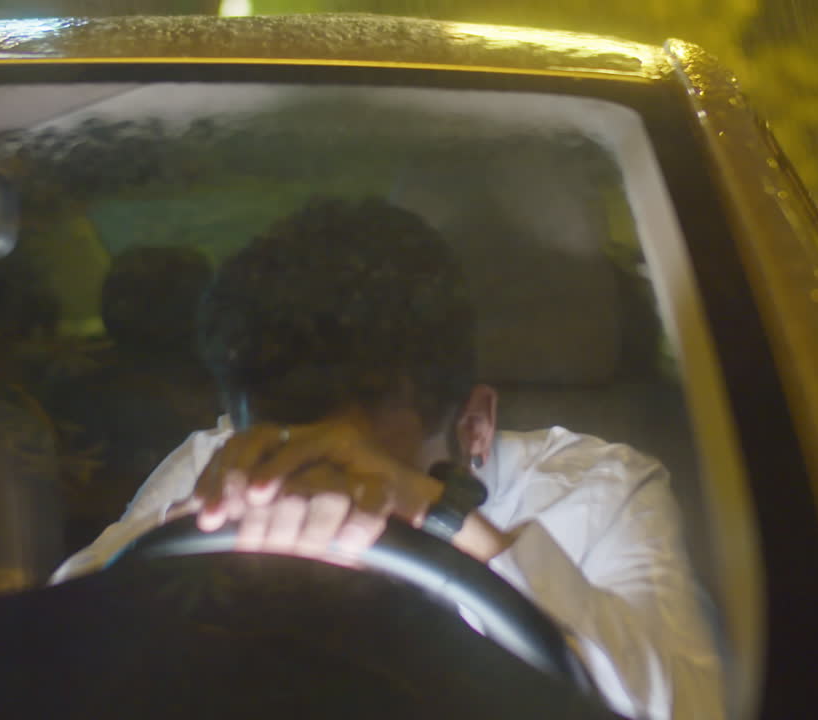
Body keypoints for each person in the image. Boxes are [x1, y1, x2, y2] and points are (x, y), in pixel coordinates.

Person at [52, 197, 723, 720]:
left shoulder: (593, 494)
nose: (327, 487)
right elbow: (47, 654)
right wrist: (196, 526)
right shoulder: (217, 463)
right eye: (294, 444)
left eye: (367, 463)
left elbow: (688, 707)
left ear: (475, 427)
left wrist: (443, 523)